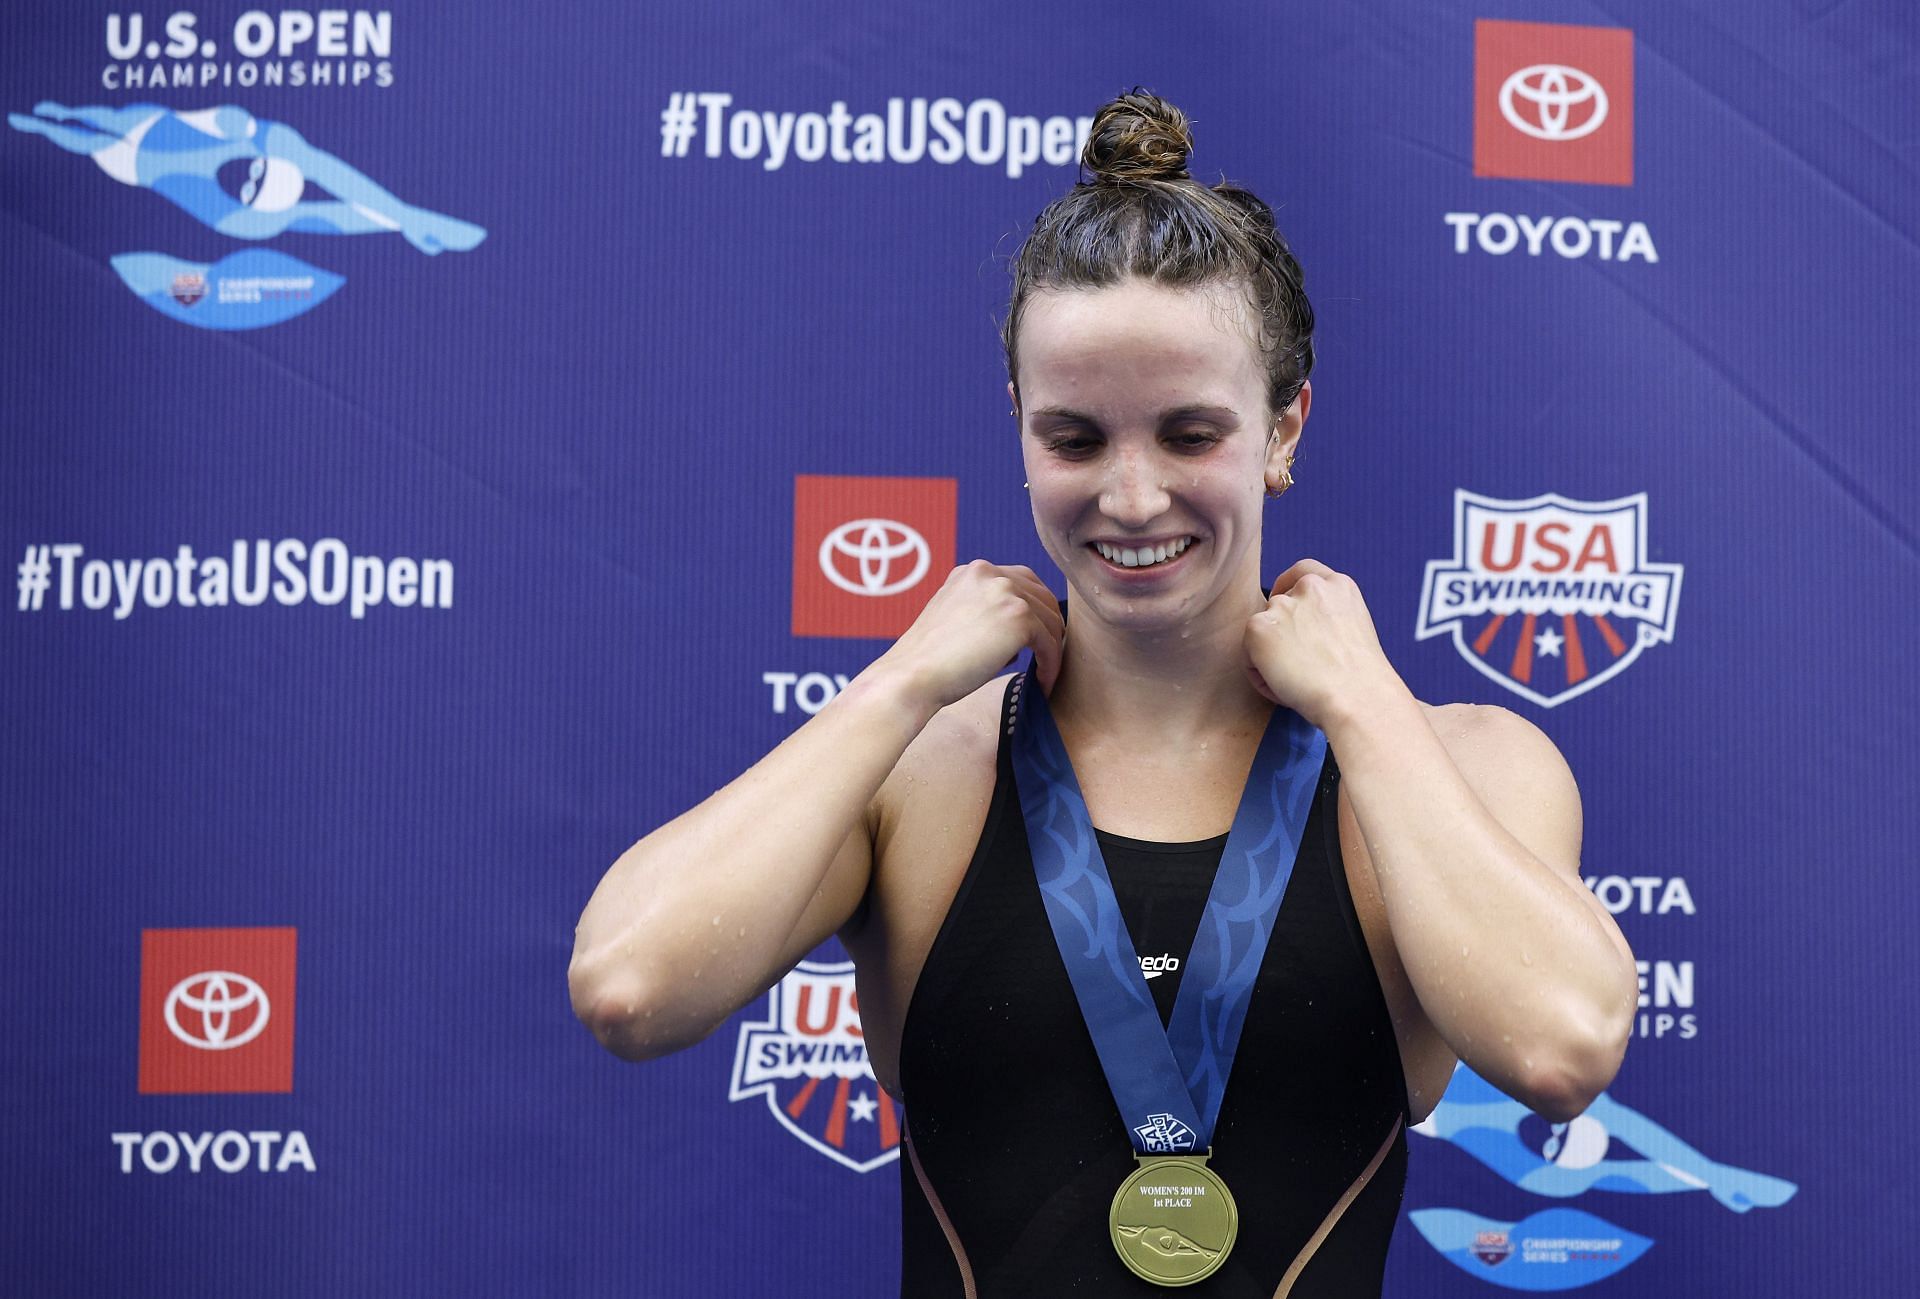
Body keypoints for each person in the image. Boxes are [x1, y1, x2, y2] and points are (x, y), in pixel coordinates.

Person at [569, 90, 1638, 1297]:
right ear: (1019, 423)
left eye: (1190, 434)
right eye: (1076, 439)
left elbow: (1563, 1044)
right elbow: (629, 986)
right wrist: (902, 683)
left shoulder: (1455, 763)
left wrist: (1367, 709)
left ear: (1284, 428)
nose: (1131, 499)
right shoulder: (922, 774)